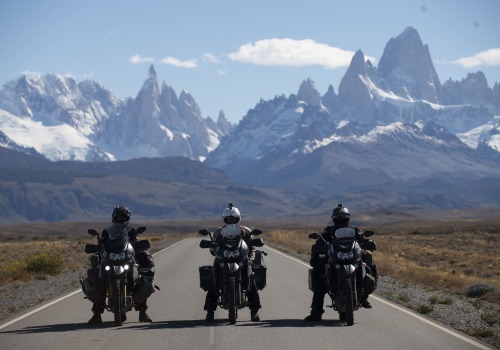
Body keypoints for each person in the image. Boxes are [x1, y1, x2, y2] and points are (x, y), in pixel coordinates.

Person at [304, 204, 378, 321]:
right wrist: (319, 247)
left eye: (343, 216)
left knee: (369, 265)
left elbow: (362, 239)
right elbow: (320, 241)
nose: (341, 218)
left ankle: (364, 297)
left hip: (352, 257)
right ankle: (316, 312)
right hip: (335, 258)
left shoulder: (355, 230)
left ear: (348, 217)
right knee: (321, 280)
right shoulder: (328, 231)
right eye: (338, 216)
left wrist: (368, 243)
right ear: (333, 218)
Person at [84, 205, 156, 325]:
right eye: (119, 217)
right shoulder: (107, 231)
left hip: (126, 257)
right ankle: (96, 314)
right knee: (99, 281)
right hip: (111, 258)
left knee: (139, 279)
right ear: (114, 218)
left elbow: (136, 241)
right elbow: (102, 243)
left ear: (127, 218)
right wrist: (98, 247)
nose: (121, 219)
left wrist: (139, 245)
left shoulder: (131, 230)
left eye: (124, 217)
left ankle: (143, 312)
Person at [204, 203, 262, 322]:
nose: (231, 220)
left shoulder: (246, 231)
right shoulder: (218, 232)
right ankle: (210, 312)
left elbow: (251, 247)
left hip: (241, 258)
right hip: (223, 259)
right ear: (225, 219)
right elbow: (213, 248)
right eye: (228, 218)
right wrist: (215, 250)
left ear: (238, 218)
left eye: (233, 218)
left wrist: (250, 258)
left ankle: (254, 311)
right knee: (213, 282)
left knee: (251, 283)